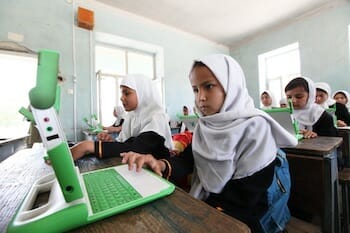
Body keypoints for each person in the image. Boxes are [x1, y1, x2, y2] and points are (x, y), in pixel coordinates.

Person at [121, 54, 298, 232]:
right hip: (210, 205)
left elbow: (246, 195)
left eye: (209, 86)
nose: (201, 97)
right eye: (196, 90)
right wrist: (160, 164)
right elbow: (187, 159)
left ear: (231, 86)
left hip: (245, 215)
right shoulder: (205, 126)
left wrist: (198, 214)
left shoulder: (256, 128)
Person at [70, 74, 173, 160]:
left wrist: (88, 146)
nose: (121, 98)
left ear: (143, 94)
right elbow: (125, 143)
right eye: (122, 93)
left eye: (127, 93)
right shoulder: (131, 116)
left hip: (158, 176)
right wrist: (111, 142)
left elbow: (137, 148)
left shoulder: (157, 117)